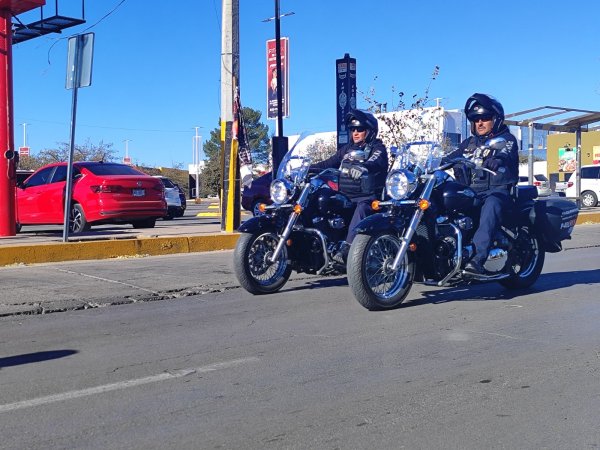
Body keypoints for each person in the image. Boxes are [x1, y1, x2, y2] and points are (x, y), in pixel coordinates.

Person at [446, 93, 519, 275]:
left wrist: (498, 160)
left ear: (495, 119)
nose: (479, 123)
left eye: (484, 118)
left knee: (491, 205)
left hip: (498, 191)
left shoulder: (506, 139)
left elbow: (505, 152)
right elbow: (450, 157)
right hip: (473, 192)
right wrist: (432, 163)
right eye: (476, 119)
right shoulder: (468, 143)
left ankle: (477, 259)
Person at [312, 109, 388, 263]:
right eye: (353, 129)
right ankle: (322, 243)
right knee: (322, 201)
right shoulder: (347, 149)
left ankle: (348, 248)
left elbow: (375, 161)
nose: (355, 132)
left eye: (359, 129)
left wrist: (364, 167)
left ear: (370, 131)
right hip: (345, 196)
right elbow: (328, 162)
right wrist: (307, 168)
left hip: (367, 197)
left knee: (362, 209)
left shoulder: (378, 148)